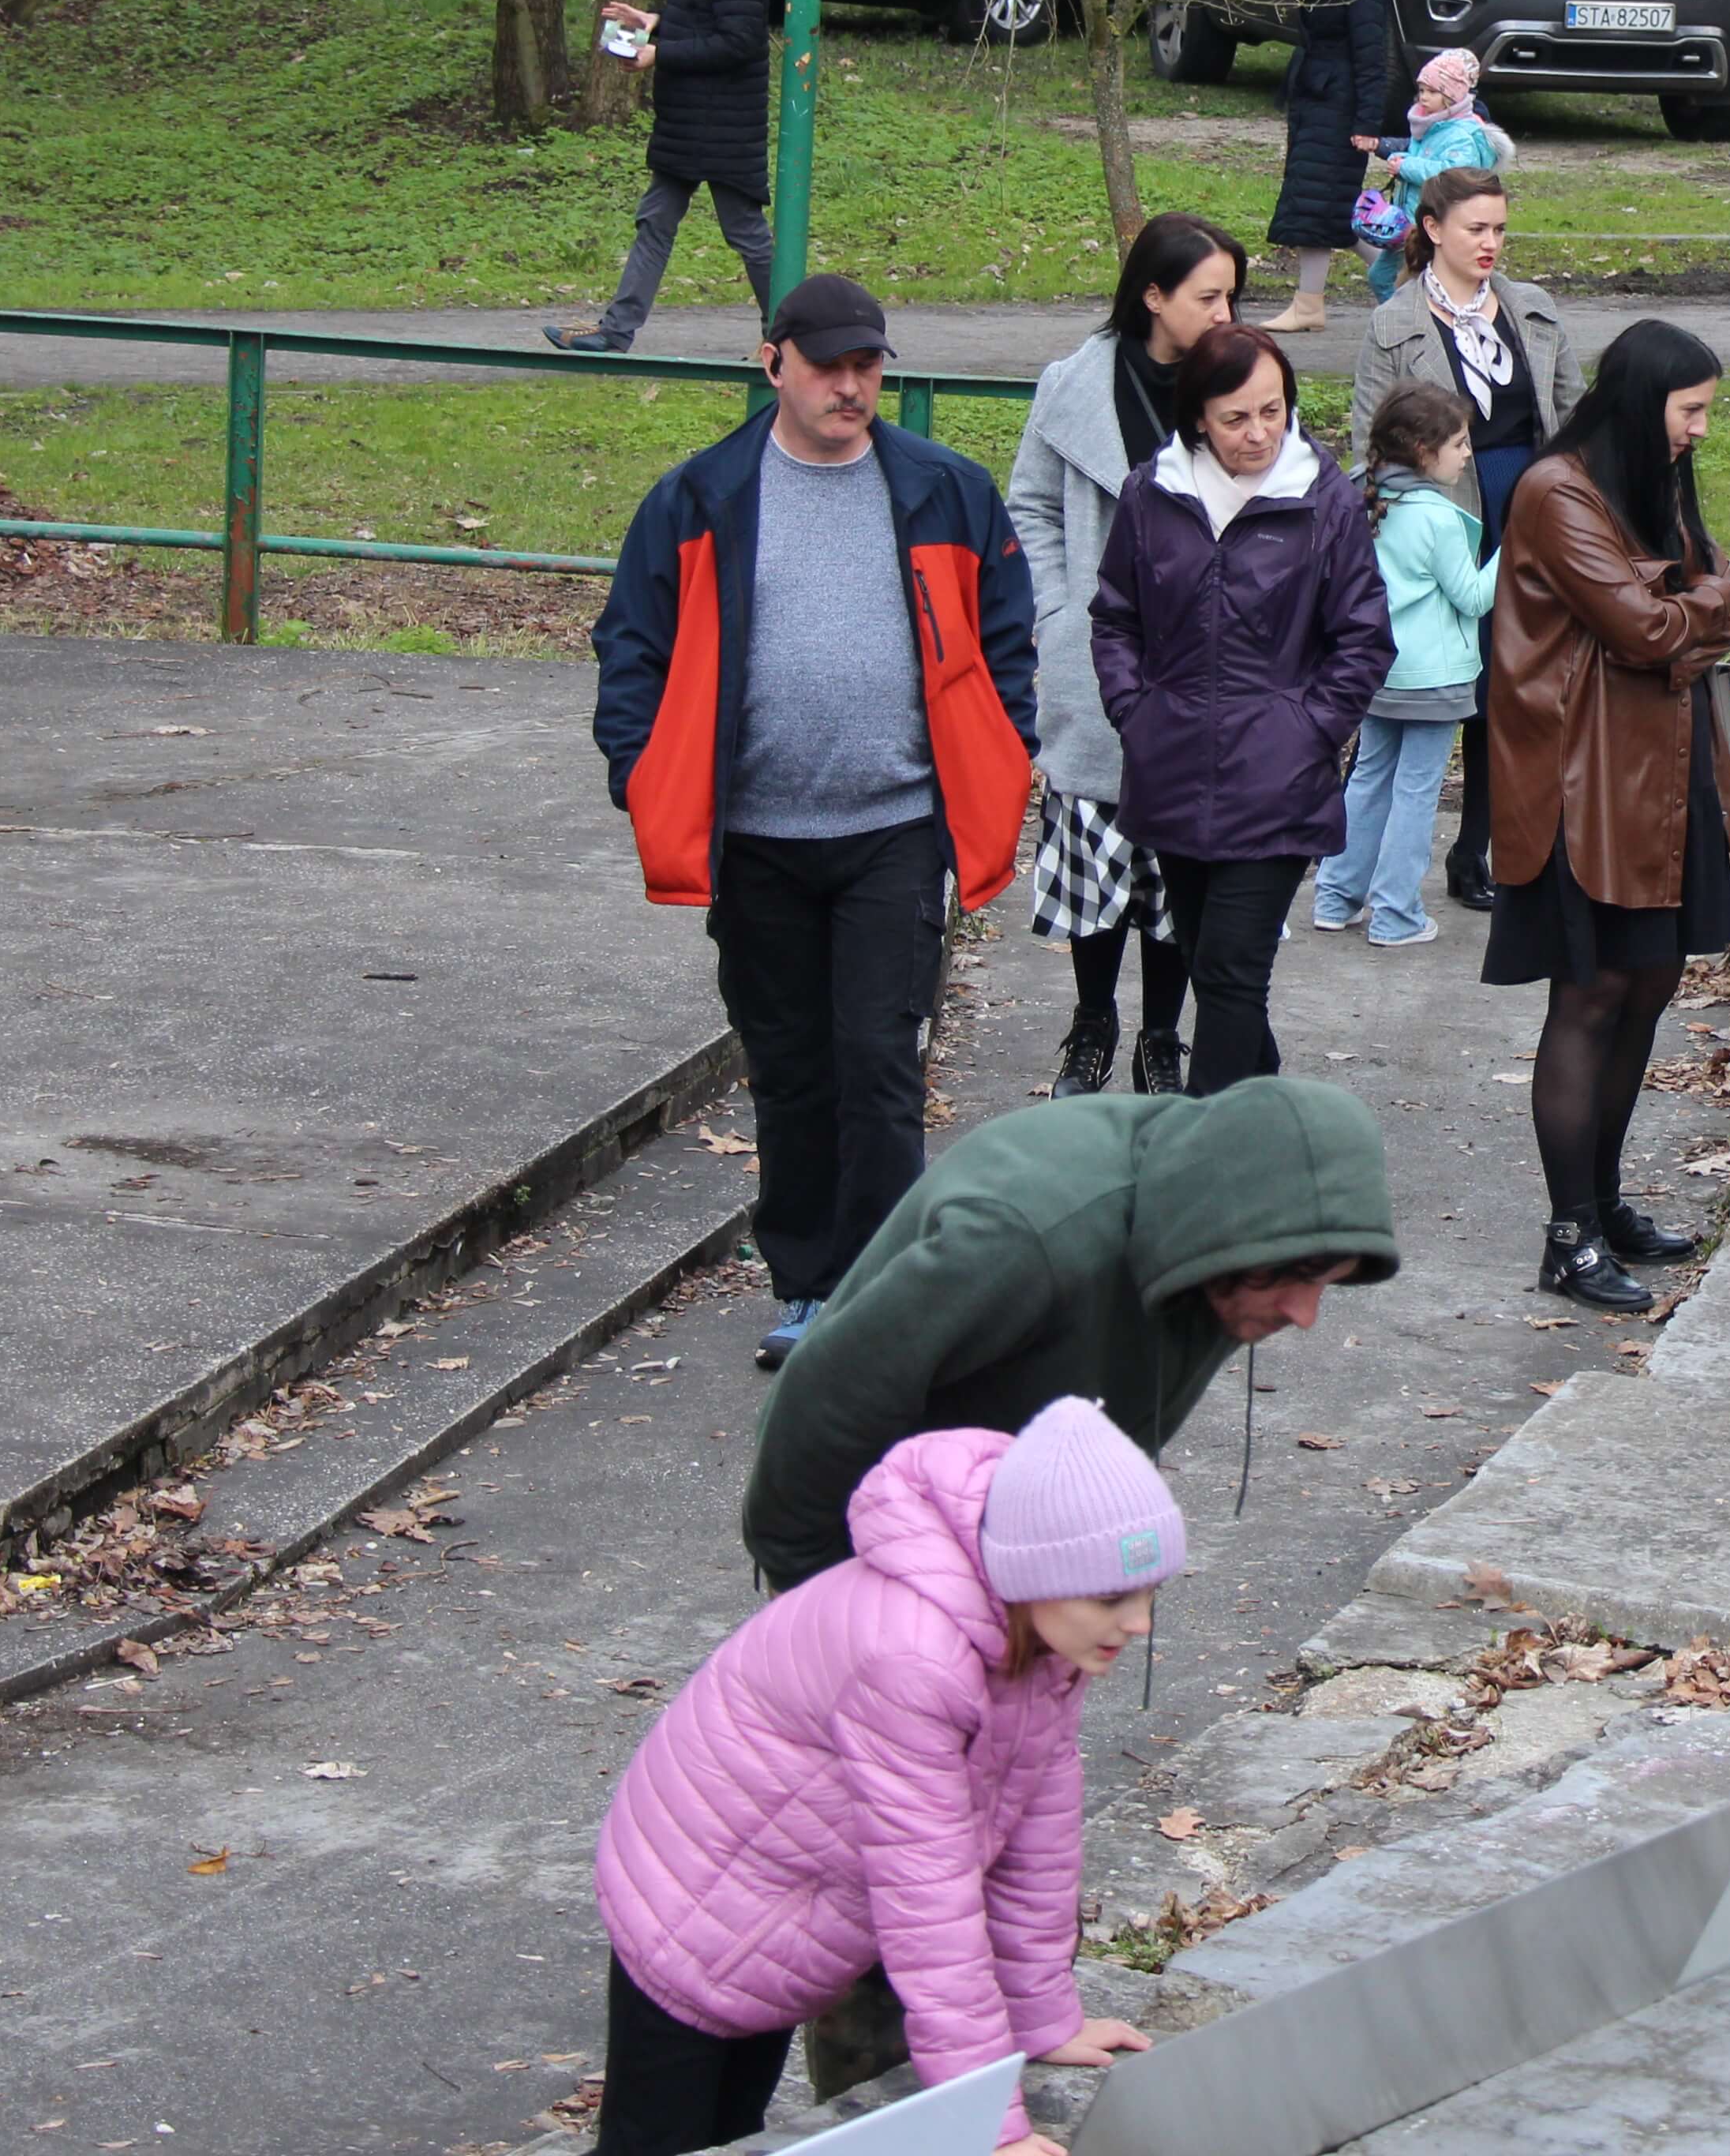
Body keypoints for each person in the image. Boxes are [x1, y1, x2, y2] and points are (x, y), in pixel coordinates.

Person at [593, 273, 1039, 1373]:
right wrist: (641, 772)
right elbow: (632, 646)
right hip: (757, 837)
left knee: (878, 1061)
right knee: (791, 1068)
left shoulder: (944, 491)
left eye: (868, 366)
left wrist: (998, 755)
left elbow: (1008, 639)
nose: (851, 386)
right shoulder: (700, 497)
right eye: (830, 365)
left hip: (894, 827)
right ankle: (807, 1282)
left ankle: (887, 1296)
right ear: (772, 362)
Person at [594, 1400, 1175, 2156]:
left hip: (786, 1898)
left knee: (734, 2131)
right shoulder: (916, 1659)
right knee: (660, 2139)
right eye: (1112, 1598)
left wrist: (1042, 2018)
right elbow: (927, 1897)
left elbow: (1041, 1833)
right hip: (700, 1901)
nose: (1140, 1625)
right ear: (1036, 1576)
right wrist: (987, 2125)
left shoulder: (1040, 1642)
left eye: (1149, 1593)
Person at [743, 1075, 1402, 1589]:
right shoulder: (1018, 1243)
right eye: (1301, 1276)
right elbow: (823, 1400)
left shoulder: (1228, 1245)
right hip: (881, 1527)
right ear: (1229, 1225)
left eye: (1327, 1282)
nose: (1305, 1313)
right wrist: (819, 1593)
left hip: (1007, 1531)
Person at [1483, 320, 1730, 1314]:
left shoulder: (1651, 481)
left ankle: (1603, 1201)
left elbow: (1713, 599)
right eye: (1691, 411)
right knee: (1589, 997)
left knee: (1647, 989)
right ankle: (1569, 1233)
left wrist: (1696, 603)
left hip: (1664, 778)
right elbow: (1645, 629)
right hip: (1583, 789)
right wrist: (1701, 607)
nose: (1700, 431)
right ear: (1644, 405)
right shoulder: (1557, 492)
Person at [1089, 323, 1394, 1093]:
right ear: (1197, 416)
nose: (1259, 433)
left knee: (1229, 971)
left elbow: (1363, 638)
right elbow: (1116, 616)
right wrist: (1137, 711)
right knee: (1208, 966)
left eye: (1273, 410)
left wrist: (1308, 731)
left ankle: (1201, 1163)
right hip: (1172, 768)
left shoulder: (1323, 500)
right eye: (1236, 417)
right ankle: (1275, 1129)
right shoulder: (1150, 493)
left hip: (1278, 783)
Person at [1006, 216, 1245, 1097]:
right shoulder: (1073, 384)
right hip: (1095, 653)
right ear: (1153, 295)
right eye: (1207, 295)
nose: (1225, 313)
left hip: (1208, 664)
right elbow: (1028, 503)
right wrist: (1059, 610)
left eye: (1232, 295)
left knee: (1182, 855)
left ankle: (1161, 1037)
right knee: (1094, 854)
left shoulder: (1238, 385)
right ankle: (1092, 1020)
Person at [1351, 168, 1580, 912]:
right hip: (1443, 522)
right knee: (1434, 683)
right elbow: (1370, 442)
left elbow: (1573, 418)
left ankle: (1476, 847)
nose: (1490, 243)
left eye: (1500, 229)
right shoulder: (1395, 323)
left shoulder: (1534, 310)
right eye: (1476, 228)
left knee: (1509, 690)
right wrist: (1397, 526)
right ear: (1432, 228)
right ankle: (1356, 866)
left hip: (1530, 513)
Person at [549, 0, 776, 355]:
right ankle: (616, 329)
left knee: (745, 233)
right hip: (690, 121)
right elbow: (708, 21)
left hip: (723, 124)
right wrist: (655, 22)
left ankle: (790, 336)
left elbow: (739, 42)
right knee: (656, 220)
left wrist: (659, 52)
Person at [1316, 384, 1494, 947]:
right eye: (1460, 443)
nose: (1468, 453)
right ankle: (1397, 914)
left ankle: (1336, 895)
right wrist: (1513, 553)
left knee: (1368, 779)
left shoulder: (1354, 496)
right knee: (1417, 792)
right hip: (1433, 680)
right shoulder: (1438, 519)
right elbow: (1471, 598)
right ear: (1424, 450)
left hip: (1373, 671)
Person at [1263, 0, 1399, 334]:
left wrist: (1367, 124)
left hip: (1340, 105)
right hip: (1311, 97)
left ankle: (1402, 285)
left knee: (1328, 205)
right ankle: (1402, 282)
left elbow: (1372, 57)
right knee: (1323, 206)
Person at [1362, 50, 1514, 304]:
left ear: (1449, 97)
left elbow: (1451, 175)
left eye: (1432, 92)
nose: (1423, 98)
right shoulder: (1429, 127)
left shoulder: (1462, 135)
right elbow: (1417, 156)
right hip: (1409, 222)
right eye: (1421, 90)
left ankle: (1430, 325)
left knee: (1428, 282)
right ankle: (1400, 325)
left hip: (1438, 223)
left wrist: (1405, 166)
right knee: (1383, 277)